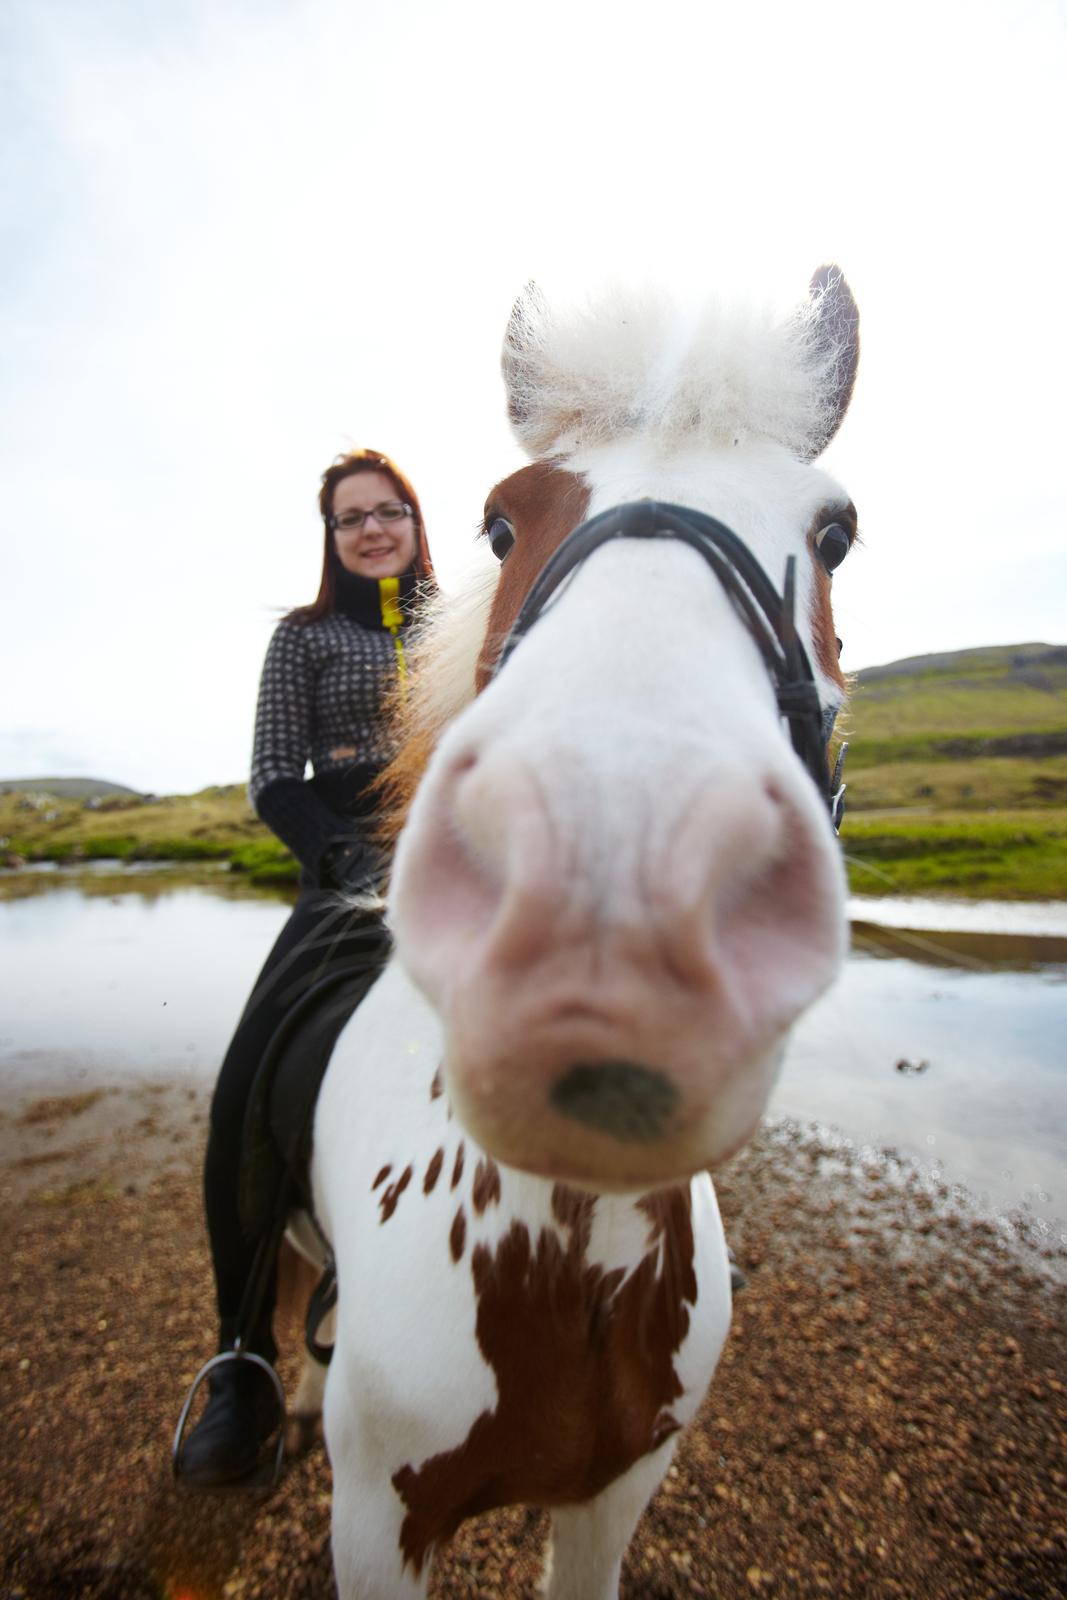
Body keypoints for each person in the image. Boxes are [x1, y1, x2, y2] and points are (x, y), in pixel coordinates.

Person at [178, 448, 434, 1486]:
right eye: (348, 519)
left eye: (387, 512)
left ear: (416, 522)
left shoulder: (469, 622)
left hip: (469, 852)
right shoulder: (305, 638)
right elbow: (274, 782)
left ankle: (654, 1211)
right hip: (348, 866)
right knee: (247, 1080)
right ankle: (243, 1357)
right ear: (329, 538)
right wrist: (344, 856)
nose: (370, 530)